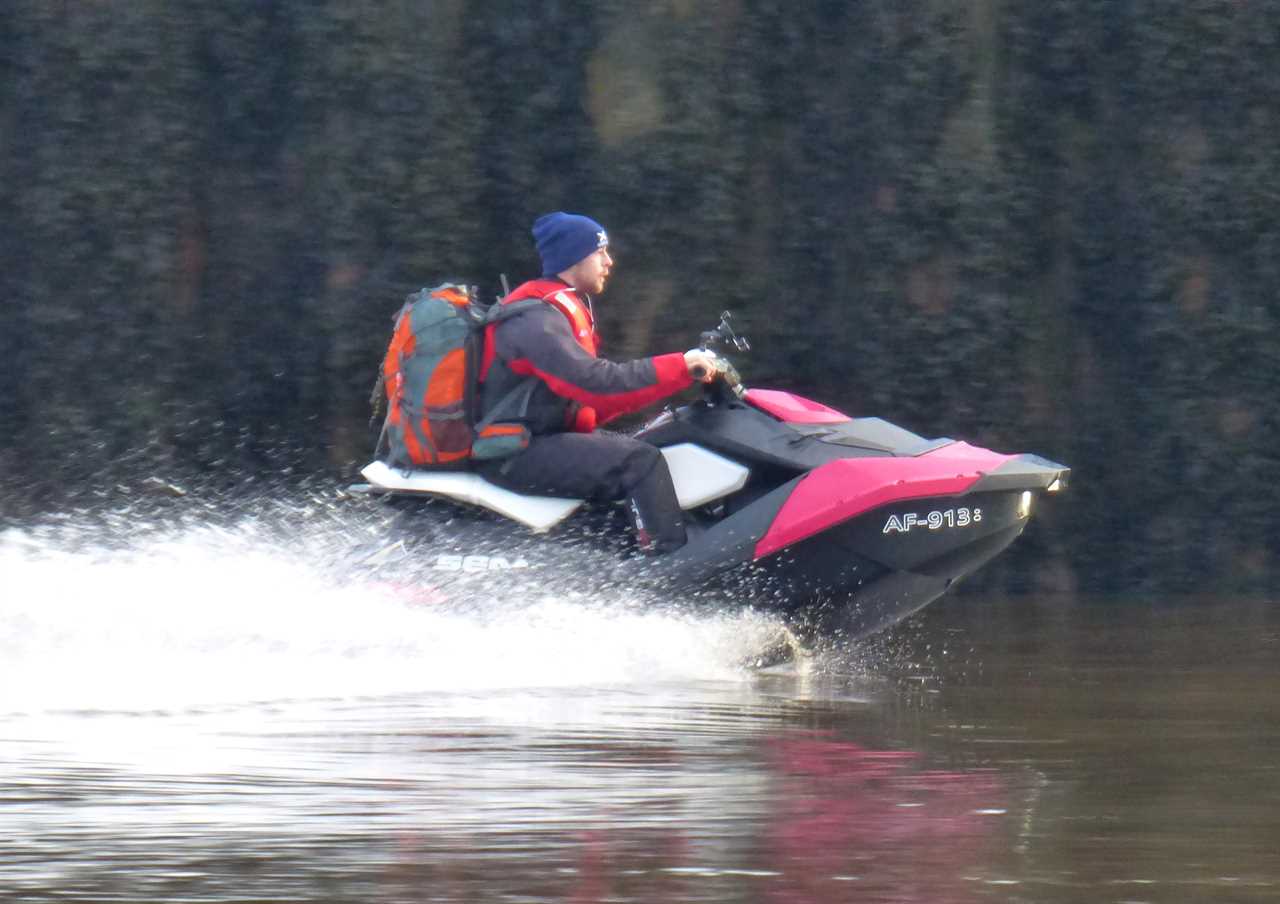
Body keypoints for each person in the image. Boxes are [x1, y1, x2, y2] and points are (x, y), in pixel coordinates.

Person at [475, 212, 719, 553]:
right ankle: (668, 572)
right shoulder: (535, 319)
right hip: (514, 453)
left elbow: (595, 400)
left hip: (539, 440)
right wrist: (679, 366)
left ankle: (624, 556)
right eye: (599, 252)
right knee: (640, 461)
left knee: (651, 440)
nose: (609, 261)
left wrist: (679, 378)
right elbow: (595, 384)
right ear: (572, 257)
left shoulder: (556, 309)